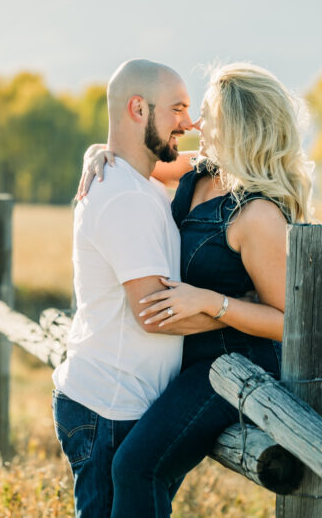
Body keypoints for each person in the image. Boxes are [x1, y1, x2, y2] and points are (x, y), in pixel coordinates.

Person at [77, 62, 314, 517]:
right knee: (127, 467)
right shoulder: (203, 171)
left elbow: (292, 323)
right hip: (187, 357)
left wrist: (214, 303)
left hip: (231, 366)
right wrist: (96, 153)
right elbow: (138, 158)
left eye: (205, 115)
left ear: (240, 127)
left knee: (136, 467)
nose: (192, 125)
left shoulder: (259, 215)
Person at [52, 58, 224, 517]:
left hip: (120, 402)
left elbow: (216, 162)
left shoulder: (137, 180)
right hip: (109, 409)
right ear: (137, 109)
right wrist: (239, 312)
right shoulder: (125, 195)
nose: (187, 124)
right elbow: (155, 314)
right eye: (177, 109)